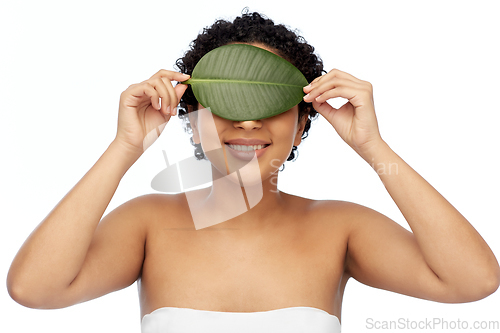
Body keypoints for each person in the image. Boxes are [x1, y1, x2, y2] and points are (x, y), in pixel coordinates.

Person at [7, 11, 499, 333]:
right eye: (227, 105)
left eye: (269, 103)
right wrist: (124, 146)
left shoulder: (341, 228)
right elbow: (34, 290)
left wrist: (373, 147)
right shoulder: (147, 225)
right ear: (194, 122)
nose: (246, 121)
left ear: (304, 122)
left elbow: (473, 281)